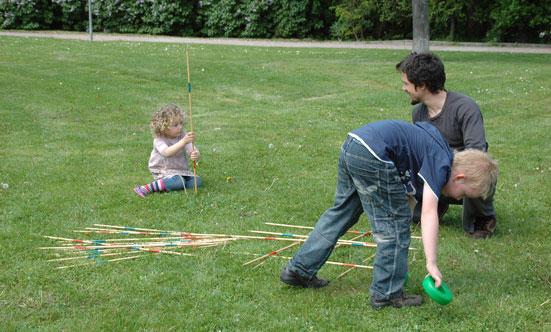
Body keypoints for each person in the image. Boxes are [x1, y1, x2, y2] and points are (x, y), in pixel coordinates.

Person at [279, 120, 498, 309]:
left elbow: (408, 199)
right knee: (393, 228)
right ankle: (387, 294)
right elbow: (429, 213)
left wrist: (398, 258)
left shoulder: (435, 154)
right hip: (374, 155)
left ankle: (299, 270)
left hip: (355, 143)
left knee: (342, 213)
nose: (459, 199)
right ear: (459, 178)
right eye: (465, 194)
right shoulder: (440, 165)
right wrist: (431, 263)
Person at [396, 53, 497, 239]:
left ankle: (483, 217)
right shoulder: (418, 113)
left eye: (406, 83)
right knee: (417, 215)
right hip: (437, 172)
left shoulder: (465, 107)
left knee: (477, 172)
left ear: (423, 85)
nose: (403, 88)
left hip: (461, 173)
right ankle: (437, 203)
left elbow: (477, 154)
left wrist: (441, 167)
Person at [134, 104, 201, 197]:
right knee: (178, 181)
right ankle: (146, 188)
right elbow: (167, 153)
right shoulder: (159, 139)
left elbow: (191, 148)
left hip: (180, 170)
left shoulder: (182, 135)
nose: (180, 127)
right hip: (163, 170)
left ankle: (173, 184)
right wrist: (183, 141)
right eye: (175, 125)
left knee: (196, 182)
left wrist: (195, 154)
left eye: (181, 123)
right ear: (164, 128)